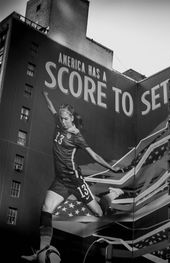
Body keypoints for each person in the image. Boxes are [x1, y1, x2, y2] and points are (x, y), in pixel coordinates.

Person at [22, 91, 124, 262]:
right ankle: (42, 250)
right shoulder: (58, 122)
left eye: (66, 119)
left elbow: (94, 156)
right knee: (46, 208)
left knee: (99, 212)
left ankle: (113, 193)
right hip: (60, 180)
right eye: (61, 118)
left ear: (72, 118)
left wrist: (112, 169)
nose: (62, 121)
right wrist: (46, 95)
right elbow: (50, 108)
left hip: (75, 180)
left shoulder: (76, 136)